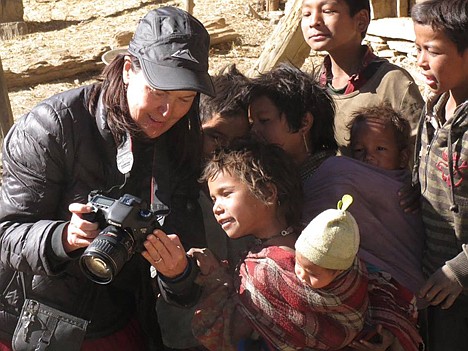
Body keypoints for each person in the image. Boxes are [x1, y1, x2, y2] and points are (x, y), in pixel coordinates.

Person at [0, 6, 214, 351]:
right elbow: (6, 234)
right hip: (25, 318)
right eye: (158, 92)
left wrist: (179, 272)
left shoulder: (183, 139)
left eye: (184, 99)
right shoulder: (52, 127)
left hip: (120, 318)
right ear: (129, 69)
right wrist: (63, 237)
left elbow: (188, 264)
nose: (167, 112)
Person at [189, 139, 371, 351]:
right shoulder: (306, 240)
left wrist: (215, 280)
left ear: (267, 193)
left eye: (226, 194)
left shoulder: (264, 271)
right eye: (213, 199)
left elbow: (225, 333)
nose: (217, 208)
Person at [156, 64, 254, 351]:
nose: (225, 152)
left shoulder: (258, 191)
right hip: (181, 336)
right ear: (195, 129)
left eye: (238, 142)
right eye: (215, 137)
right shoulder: (168, 188)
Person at [411, 1, 468, 350]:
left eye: (431, 50)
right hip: (438, 284)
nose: (420, 61)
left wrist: (461, 269)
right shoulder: (435, 107)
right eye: (416, 49)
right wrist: (414, 187)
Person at [300, 0, 424, 156]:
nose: (314, 22)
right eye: (306, 14)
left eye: (328, 11)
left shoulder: (393, 83)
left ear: (361, 20)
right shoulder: (312, 86)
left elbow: (419, 156)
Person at [246, 62, 337, 180]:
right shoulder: (266, 175)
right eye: (252, 123)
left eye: (264, 120)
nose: (253, 131)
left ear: (304, 123)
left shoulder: (333, 178)